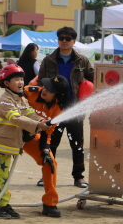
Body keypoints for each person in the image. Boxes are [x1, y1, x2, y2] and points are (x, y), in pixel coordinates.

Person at [0, 64, 47, 219]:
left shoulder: (21, 99)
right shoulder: (5, 100)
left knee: (5, 177)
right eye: (16, 79)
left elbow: (30, 113)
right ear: (6, 83)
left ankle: (4, 203)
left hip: (8, 145)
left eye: (21, 79)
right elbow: (15, 118)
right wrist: (37, 125)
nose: (20, 82)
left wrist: (41, 120)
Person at [37, 26, 94, 188]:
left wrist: (87, 92)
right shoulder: (49, 60)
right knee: (50, 144)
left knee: (77, 145)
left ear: (74, 41)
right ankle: (46, 175)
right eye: (61, 38)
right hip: (54, 107)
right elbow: (40, 81)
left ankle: (79, 177)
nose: (64, 41)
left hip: (75, 107)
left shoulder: (82, 60)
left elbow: (92, 79)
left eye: (68, 38)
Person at [23, 75, 70, 217]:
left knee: (50, 163)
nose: (45, 90)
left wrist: (44, 150)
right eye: (46, 86)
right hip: (10, 135)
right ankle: (0, 204)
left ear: (57, 95)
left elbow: (47, 132)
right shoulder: (29, 92)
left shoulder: (58, 109)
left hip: (30, 138)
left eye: (50, 90)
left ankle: (50, 204)